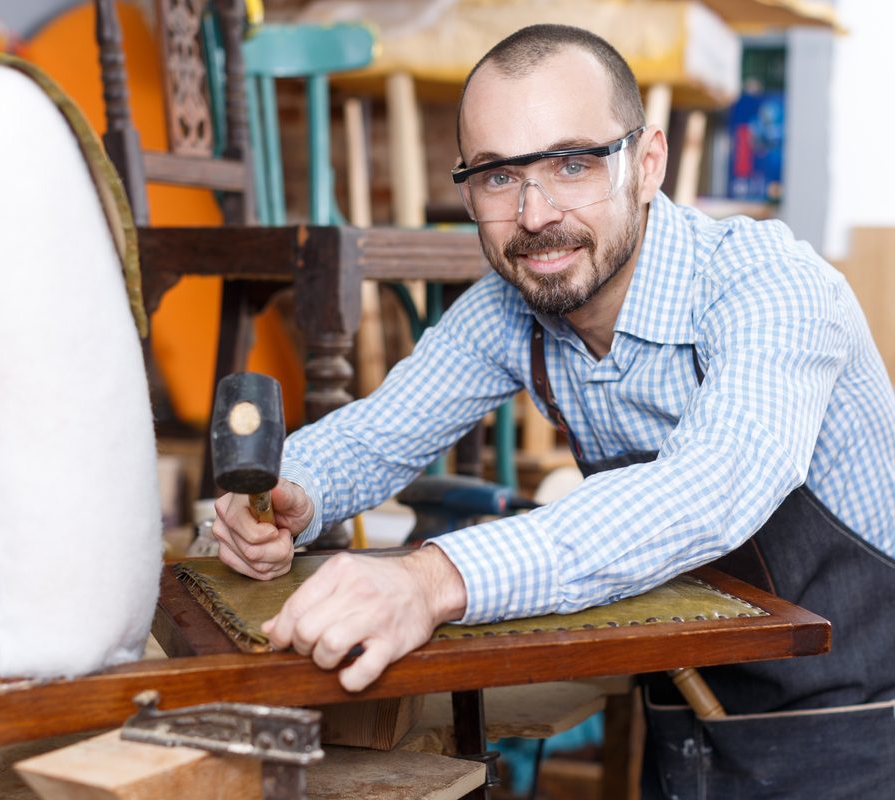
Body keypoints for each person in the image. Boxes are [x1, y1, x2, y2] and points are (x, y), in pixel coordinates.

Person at [213, 23, 895, 799]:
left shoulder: (771, 286)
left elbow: (712, 487)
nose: (535, 213)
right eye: (499, 175)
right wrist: (293, 490)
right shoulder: (513, 305)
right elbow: (377, 434)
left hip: (864, 724)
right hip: (690, 715)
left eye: (573, 163)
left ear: (647, 164)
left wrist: (432, 580)